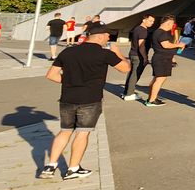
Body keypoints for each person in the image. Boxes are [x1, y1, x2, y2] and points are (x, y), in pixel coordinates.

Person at [38, 23, 129, 179]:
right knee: (82, 134)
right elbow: (125, 68)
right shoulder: (104, 54)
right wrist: (118, 52)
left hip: (67, 97)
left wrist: (69, 81)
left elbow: (51, 75)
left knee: (65, 131)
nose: (108, 39)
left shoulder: (68, 51)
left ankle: (50, 166)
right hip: (90, 99)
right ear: (100, 36)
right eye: (108, 36)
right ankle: (73, 169)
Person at [144, 16, 184, 107]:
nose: (172, 26)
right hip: (162, 59)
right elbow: (166, 45)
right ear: (168, 23)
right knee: (159, 79)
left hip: (162, 58)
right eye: (172, 24)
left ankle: (152, 98)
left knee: (157, 79)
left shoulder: (159, 32)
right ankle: (151, 100)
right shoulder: (161, 33)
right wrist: (178, 45)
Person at [122, 14, 155, 100]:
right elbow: (141, 45)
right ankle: (129, 94)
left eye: (153, 21)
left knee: (131, 74)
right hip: (138, 55)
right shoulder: (143, 31)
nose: (152, 23)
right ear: (144, 20)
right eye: (150, 21)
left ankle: (126, 92)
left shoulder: (137, 28)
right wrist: (145, 57)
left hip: (133, 53)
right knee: (135, 74)